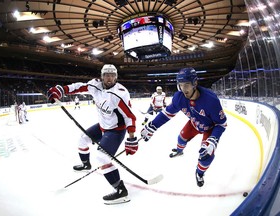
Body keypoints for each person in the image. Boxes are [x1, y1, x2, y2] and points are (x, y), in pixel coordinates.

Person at [47, 64, 138, 204]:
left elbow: (129, 116)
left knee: (101, 157)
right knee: (83, 140)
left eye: (112, 75)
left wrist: (131, 137)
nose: (109, 77)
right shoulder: (95, 85)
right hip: (103, 127)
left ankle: (120, 191)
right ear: (102, 76)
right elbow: (78, 86)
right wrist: (61, 90)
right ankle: (85, 164)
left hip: (116, 130)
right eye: (107, 75)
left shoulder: (120, 93)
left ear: (116, 77)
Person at [139, 67, 227, 187]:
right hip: (194, 123)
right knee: (181, 137)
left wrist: (212, 141)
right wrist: (152, 126)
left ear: (195, 83)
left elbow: (221, 124)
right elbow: (166, 114)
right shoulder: (179, 97)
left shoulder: (211, 100)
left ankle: (200, 173)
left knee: (206, 156)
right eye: (181, 85)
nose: (183, 89)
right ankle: (179, 151)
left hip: (209, 129)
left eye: (186, 85)